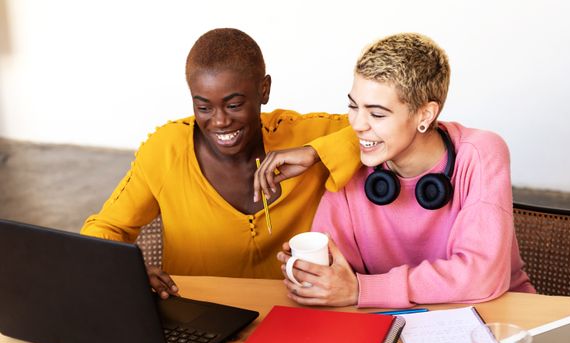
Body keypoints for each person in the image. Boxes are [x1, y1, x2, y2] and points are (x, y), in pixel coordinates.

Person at [81, 28, 360, 298]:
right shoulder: (166, 150)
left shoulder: (307, 134)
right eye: (204, 107)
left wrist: (315, 152)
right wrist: (128, 272)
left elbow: (386, 128)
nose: (219, 121)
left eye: (234, 105)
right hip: (197, 318)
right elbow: (106, 228)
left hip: (296, 313)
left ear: (264, 89)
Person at [278, 32, 535, 308]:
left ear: (425, 115)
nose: (357, 124)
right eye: (353, 106)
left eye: (377, 114)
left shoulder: (481, 153)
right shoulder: (354, 158)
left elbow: (482, 275)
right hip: (386, 318)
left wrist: (364, 289)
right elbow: (339, 270)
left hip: (499, 316)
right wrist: (315, 272)